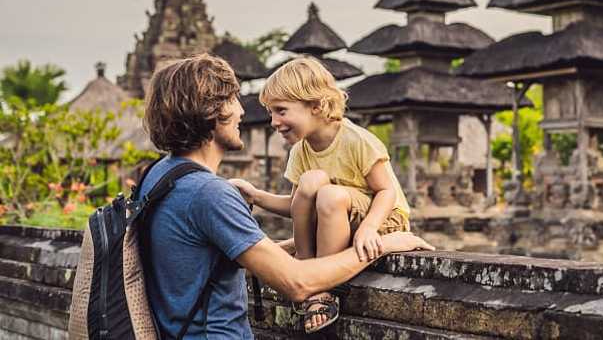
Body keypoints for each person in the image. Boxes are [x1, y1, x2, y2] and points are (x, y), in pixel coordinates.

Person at [140, 54, 433, 338]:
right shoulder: (209, 193)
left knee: (321, 187)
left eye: (279, 110)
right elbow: (297, 281)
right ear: (212, 112)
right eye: (233, 100)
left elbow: (219, 256)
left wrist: (277, 237)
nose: (243, 111)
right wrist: (385, 245)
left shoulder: (158, 176)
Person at [229, 57, 412, 332]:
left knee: (328, 195)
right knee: (313, 181)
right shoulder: (301, 150)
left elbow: (386, 192)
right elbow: (296, 206)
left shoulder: (356, 140)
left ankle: (322, 289)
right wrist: (255, 196)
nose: (274, 122)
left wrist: (369, 229)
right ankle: (306, 261)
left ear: (315, 106)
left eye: (281, 111)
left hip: (384, 221)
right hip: (340, 220)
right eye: (271, 113)